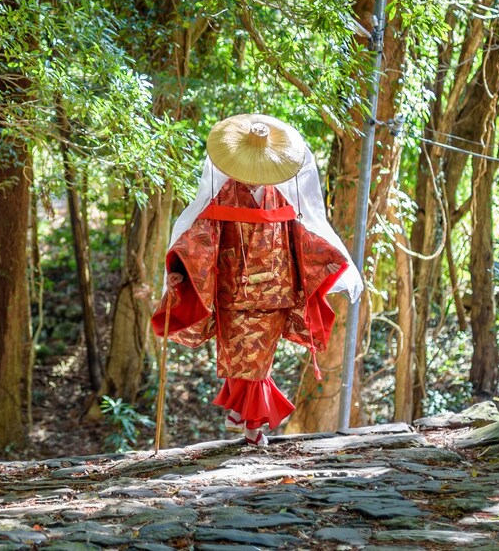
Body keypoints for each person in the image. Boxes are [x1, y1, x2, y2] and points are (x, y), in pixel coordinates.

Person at [151, 114, 363, 446]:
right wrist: (182, 265)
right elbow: (201, 237)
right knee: (240, 355)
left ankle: (248, 423)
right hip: (232, 293)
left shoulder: (282, 197)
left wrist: (329, 258)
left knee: (257, 360)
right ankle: (247, 422)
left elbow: (301, 238)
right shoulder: (222, 196)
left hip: (274, 295)